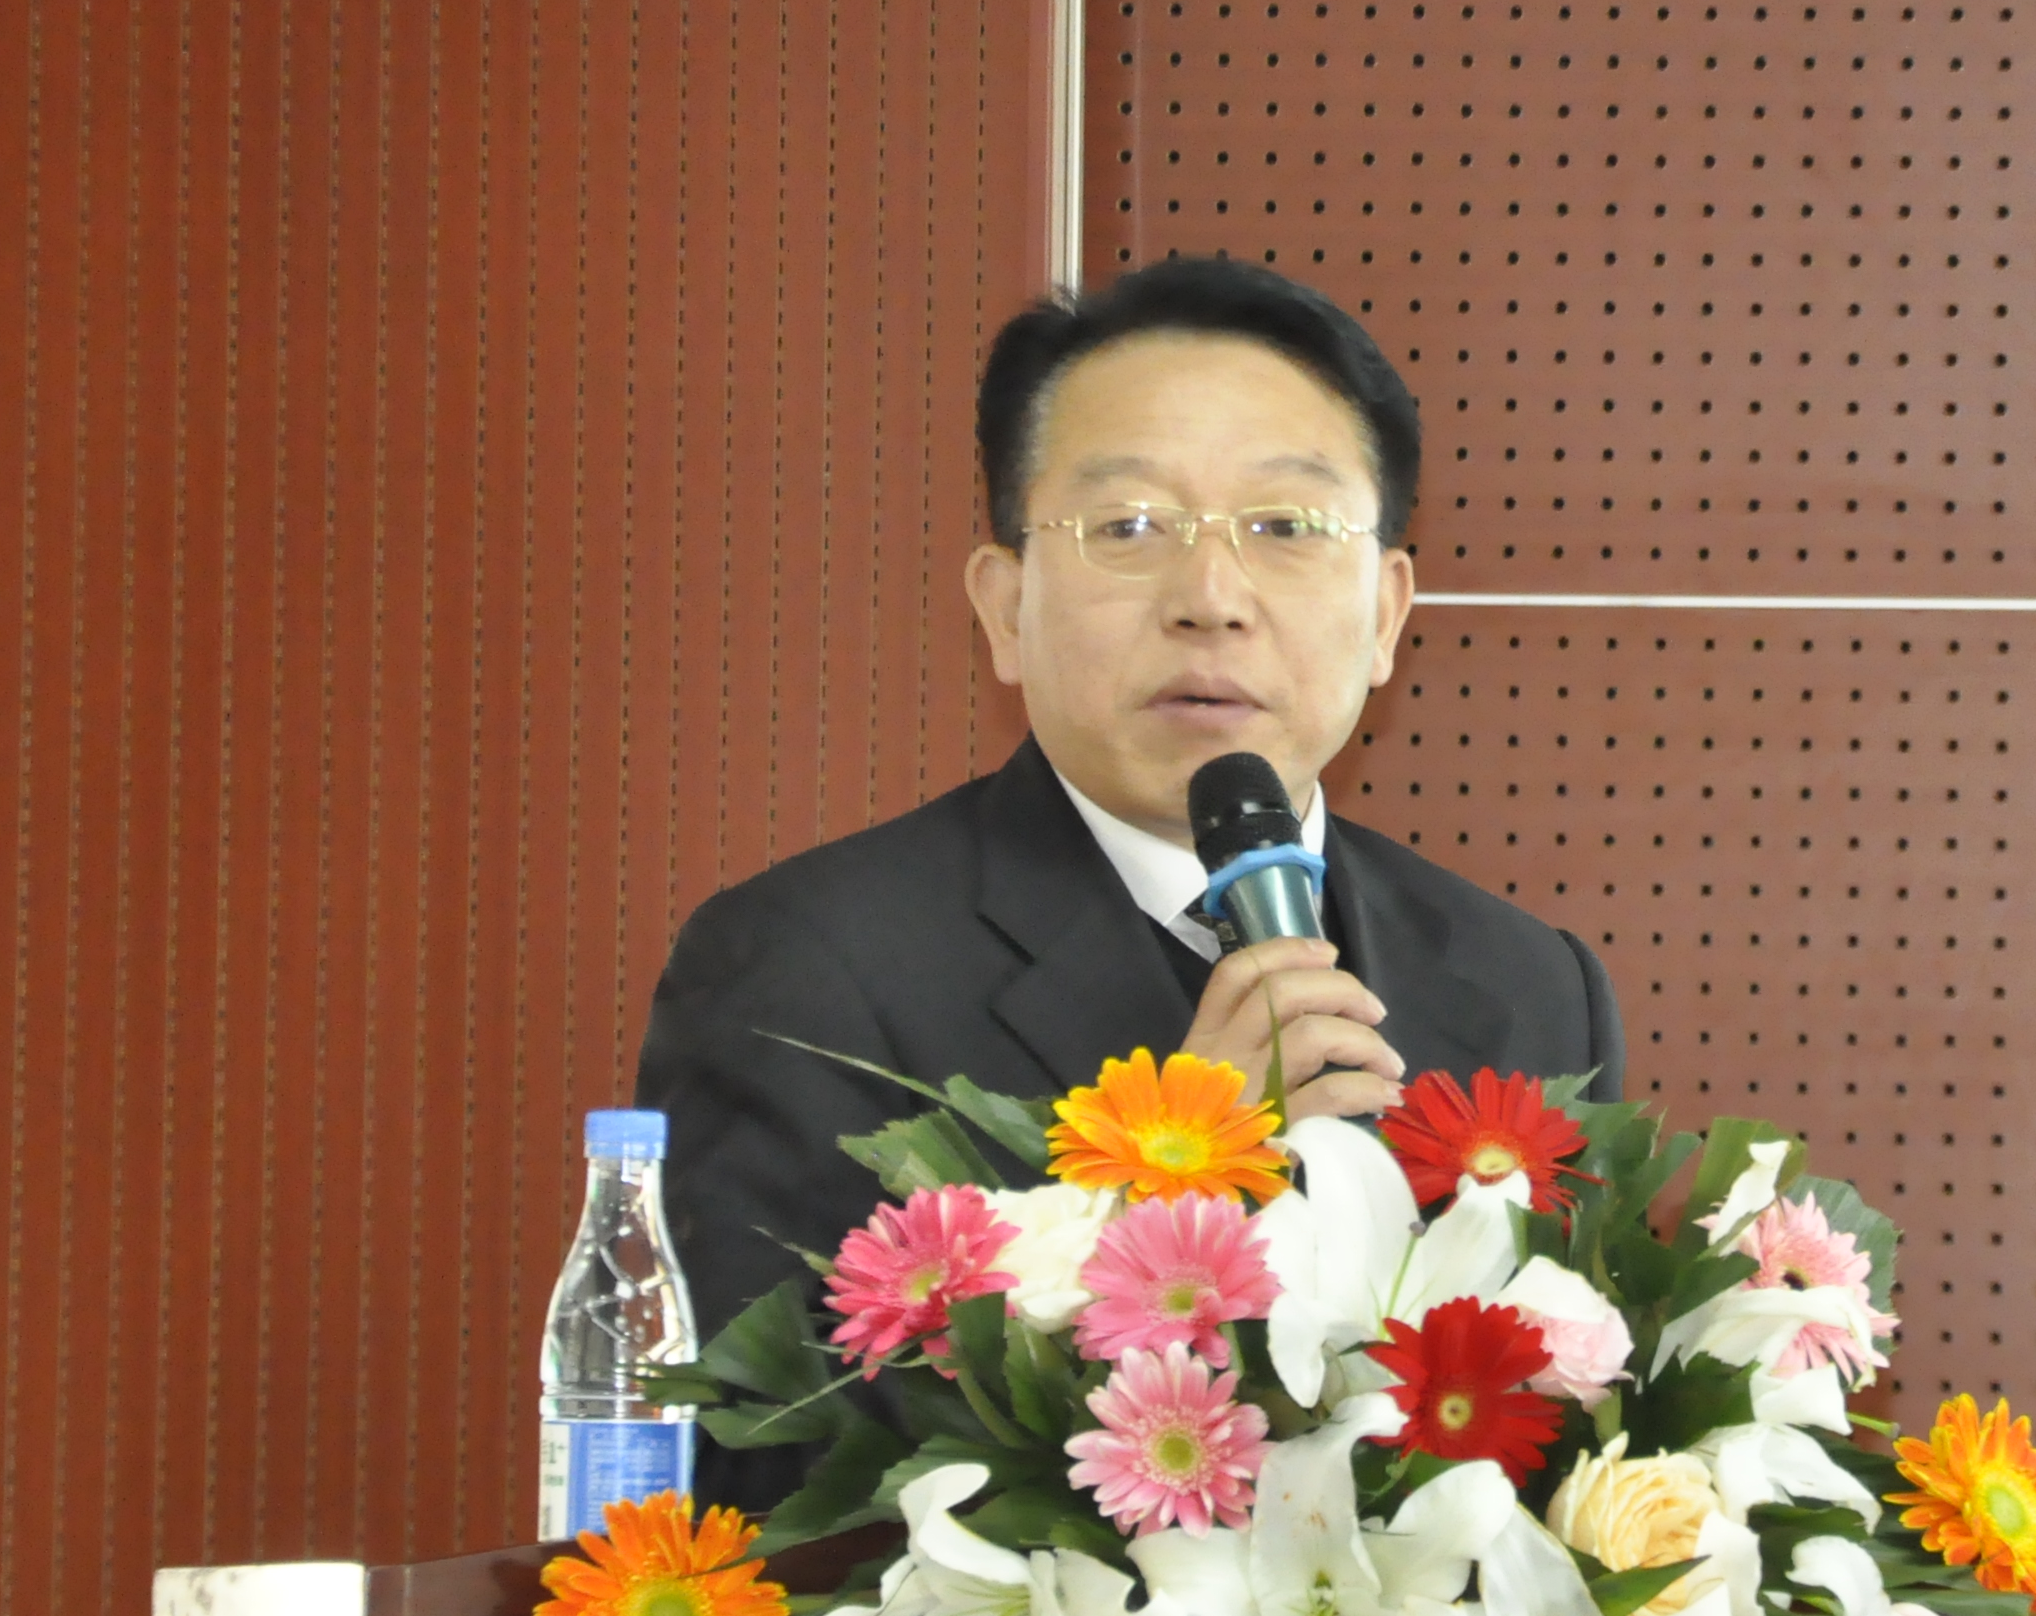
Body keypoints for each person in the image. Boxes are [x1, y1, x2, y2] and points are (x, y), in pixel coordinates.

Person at [632, 256, 1624, 1460]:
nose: (1211, 596)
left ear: (1384, 614)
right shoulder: (805, 974)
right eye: (1130, 527)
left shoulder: (1529, 986)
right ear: (1004, 607)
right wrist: (1175, 1178)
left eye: (1285, 527)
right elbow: (769, 1463)